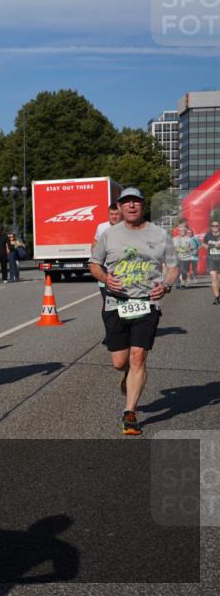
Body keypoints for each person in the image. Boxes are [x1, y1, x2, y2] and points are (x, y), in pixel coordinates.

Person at [88, 187, 178, 436]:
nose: (131, 206)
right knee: (120, 362)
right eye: (126, 202)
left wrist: (166, 285)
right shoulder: (109, 235)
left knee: (138, 356)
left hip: (147, 302)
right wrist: (105, 278)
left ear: (142, 205)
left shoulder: (159, 234)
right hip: (116, 302)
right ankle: (126, 373)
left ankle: (130, 414)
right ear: (119, 207)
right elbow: (93, 264)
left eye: (135, 202)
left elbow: (172, 267)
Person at [172, 224, 200, 289]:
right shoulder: (174, 239)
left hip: (186, 258)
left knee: (184, 271)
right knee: (177, 271)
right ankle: (178, 282)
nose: (182, 232)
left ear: (185, 231)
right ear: (178, 231)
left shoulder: (189, 239)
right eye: (180, 231)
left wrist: (189, 249)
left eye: (183, 231)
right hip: (176, 257)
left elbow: (193, 247)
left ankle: (183, 284)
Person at [205, 219, 220, 305]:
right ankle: (217, 298)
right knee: (214, 278)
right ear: (211, 227)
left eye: (216, 226)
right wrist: (208, 246)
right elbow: (203, 244)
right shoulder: (208, 235)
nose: (215, 227)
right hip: (211, 259)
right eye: (213, 226)